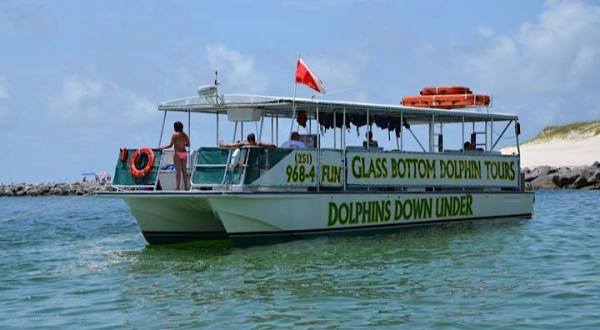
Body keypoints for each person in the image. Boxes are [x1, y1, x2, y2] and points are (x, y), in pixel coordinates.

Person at [159, 121, 190, 191]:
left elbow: (170, 145)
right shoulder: (185, 135)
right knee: (184, 171)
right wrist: (183, 144)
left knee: (178, 171)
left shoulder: (174, 135)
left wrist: (162, 147)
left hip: (177, 153)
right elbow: (188, 144)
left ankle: (178, 188)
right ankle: (186, 187)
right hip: (183, 153)